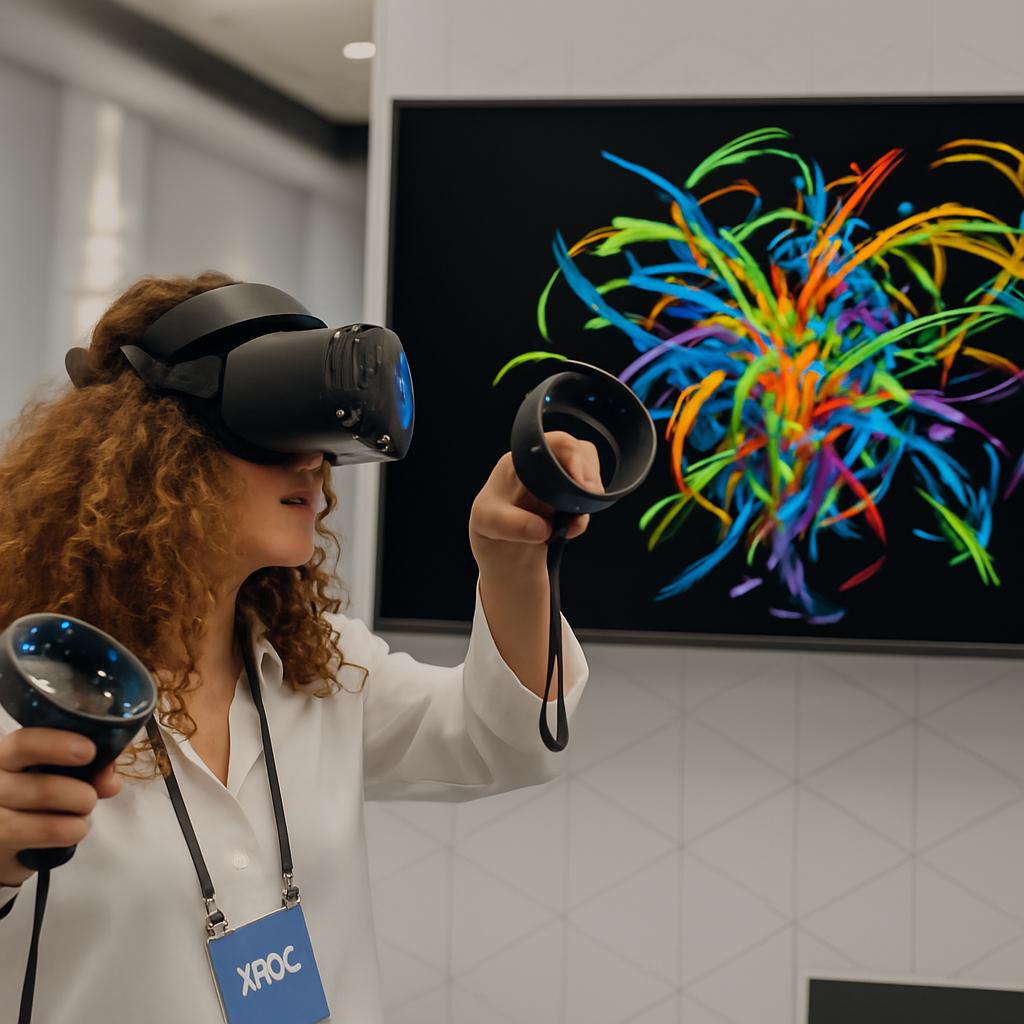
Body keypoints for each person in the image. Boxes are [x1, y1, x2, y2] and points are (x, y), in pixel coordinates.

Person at [0, 272, 595, 1023]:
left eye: (320, 439)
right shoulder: (19, 694)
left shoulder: (317, 667)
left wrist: (509, 559)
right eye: (274, 429)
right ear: (158, 452)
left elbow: (504, 741)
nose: (312, 462)